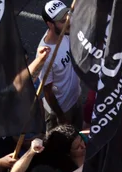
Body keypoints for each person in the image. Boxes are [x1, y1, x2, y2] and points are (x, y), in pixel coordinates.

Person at [38, 0, 82, 131]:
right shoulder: (45, 55)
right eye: (63, 21)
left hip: (76, 99)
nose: (68, 22)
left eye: (67, 16)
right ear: (50, 24)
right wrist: (61, 116)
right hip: (60, 110)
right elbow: (47, 91)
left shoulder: (67, 33)